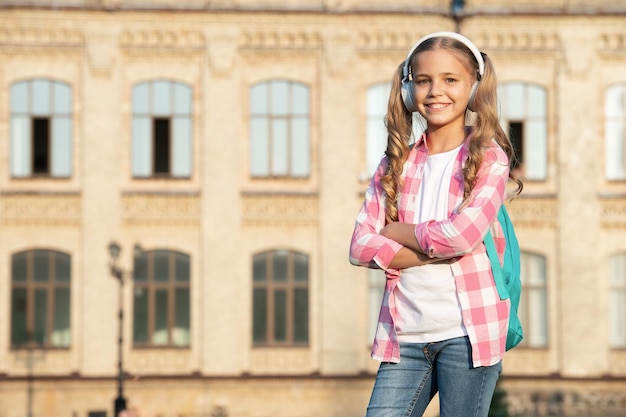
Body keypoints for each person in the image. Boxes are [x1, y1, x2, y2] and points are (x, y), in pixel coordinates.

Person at [349, 31, 523, 417]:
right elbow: (359, 246)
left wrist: (398, 234)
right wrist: (438, 248)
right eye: (424, 80)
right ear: (410, 90)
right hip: (404, 336)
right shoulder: (394, 164)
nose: (435, 91)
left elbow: (462, 235)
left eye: (450, 80)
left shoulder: (489, 159)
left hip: (467, 335)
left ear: (474, 89)